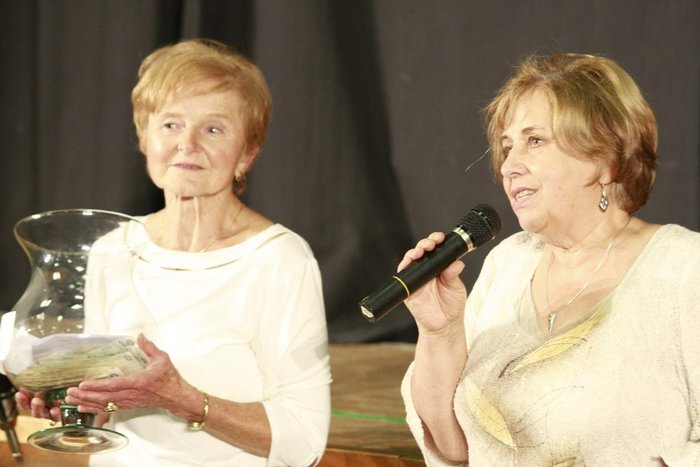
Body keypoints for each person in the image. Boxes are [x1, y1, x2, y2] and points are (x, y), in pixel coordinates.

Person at [16, 38, 331, 466]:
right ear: (145, 139)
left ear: (247, 154)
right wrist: (72, 403)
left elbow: (305, 443)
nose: (188, 143)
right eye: (170, 125)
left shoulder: (281, 260)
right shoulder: (114, 248)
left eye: (213, 129)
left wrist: (180, 398)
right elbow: (106, 413)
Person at [398, 52, 700, 466]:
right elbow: (454, 447)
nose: (509, 166)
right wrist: (440, 332)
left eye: (535, 141)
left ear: (606, 161)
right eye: (507, 147)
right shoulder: (509, 264)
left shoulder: (683, 270)